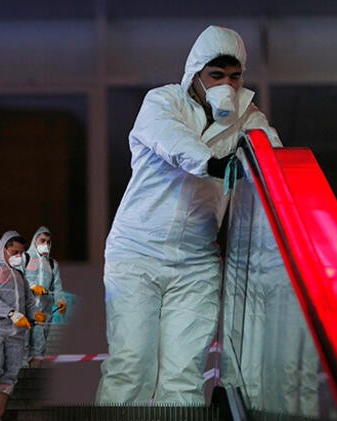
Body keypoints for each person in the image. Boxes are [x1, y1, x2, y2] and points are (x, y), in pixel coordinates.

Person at [96, 25, 282, 405]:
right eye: (216, 76)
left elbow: (273, 157)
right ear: (195, 72)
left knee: (183, 380)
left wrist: (271, 164)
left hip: (196, 261)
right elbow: (172, 141)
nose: (226, 86)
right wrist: (214, 164)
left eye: (234, 77)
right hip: (136, 253)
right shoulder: (162, 102)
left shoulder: (248, 117)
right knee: (131, 368)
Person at [0, 231, 46, 421]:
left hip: (16, 332)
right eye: (14, 252)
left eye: (21, 253)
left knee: (9, 375)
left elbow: (27, 300)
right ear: (3, 249)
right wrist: (11, 313)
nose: (18, 257)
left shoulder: (20, 276)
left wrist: (34, 312)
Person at [22, 226, 67, 368]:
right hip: (25, 309)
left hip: (44, 312)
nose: (45, 244)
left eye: (48, 241)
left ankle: (34, 371)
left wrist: (61, 301)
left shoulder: (52, 264)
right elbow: (17, 280)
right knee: (21, 343)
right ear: (35, 241)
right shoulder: (25, 258)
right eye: (42, 240)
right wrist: (32, 286)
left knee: (39, 345)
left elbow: (57, 286)